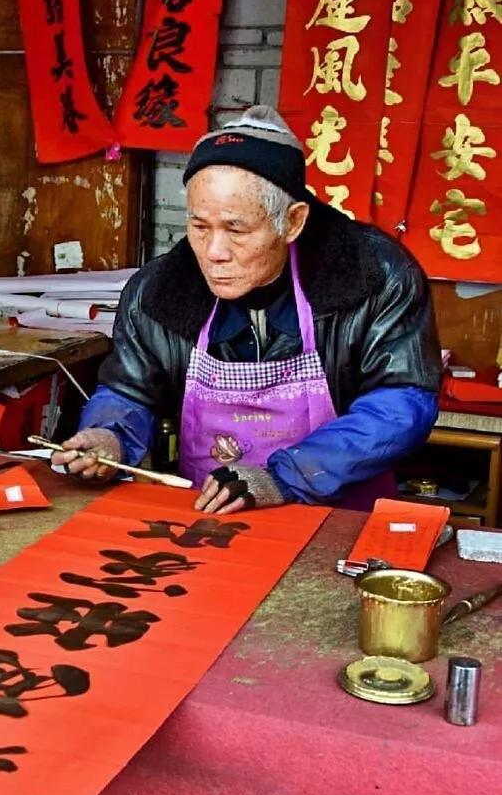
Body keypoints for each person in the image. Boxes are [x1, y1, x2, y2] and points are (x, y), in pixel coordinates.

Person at [53, 106, 442, 514]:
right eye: (200, 227)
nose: (214, 252)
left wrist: (288, 476)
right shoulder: (159, 291)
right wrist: (108, 436)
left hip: (340, 516)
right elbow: (129, 390)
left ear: (293, 222)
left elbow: (400, 405)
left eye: (236, 229)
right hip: (212, 514)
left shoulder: (373, 276)